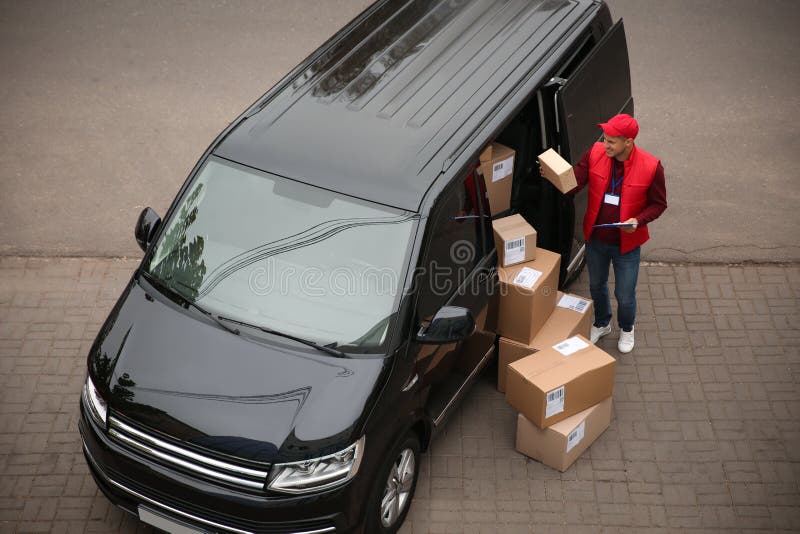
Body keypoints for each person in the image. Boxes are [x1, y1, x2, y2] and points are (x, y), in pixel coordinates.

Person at [569, 114, 667, 353]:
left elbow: (659, 204)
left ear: (629, 142)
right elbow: (575, 182)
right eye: (605, 139)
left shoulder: (651, 166)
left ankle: (626, 328)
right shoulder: (595, 153)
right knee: (596, 285)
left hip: (627, 244)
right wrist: (556, 178)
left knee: (624, 294)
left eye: (612, 141)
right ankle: (602, 323)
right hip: (596, 239)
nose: (605, 145)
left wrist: (638, 220)